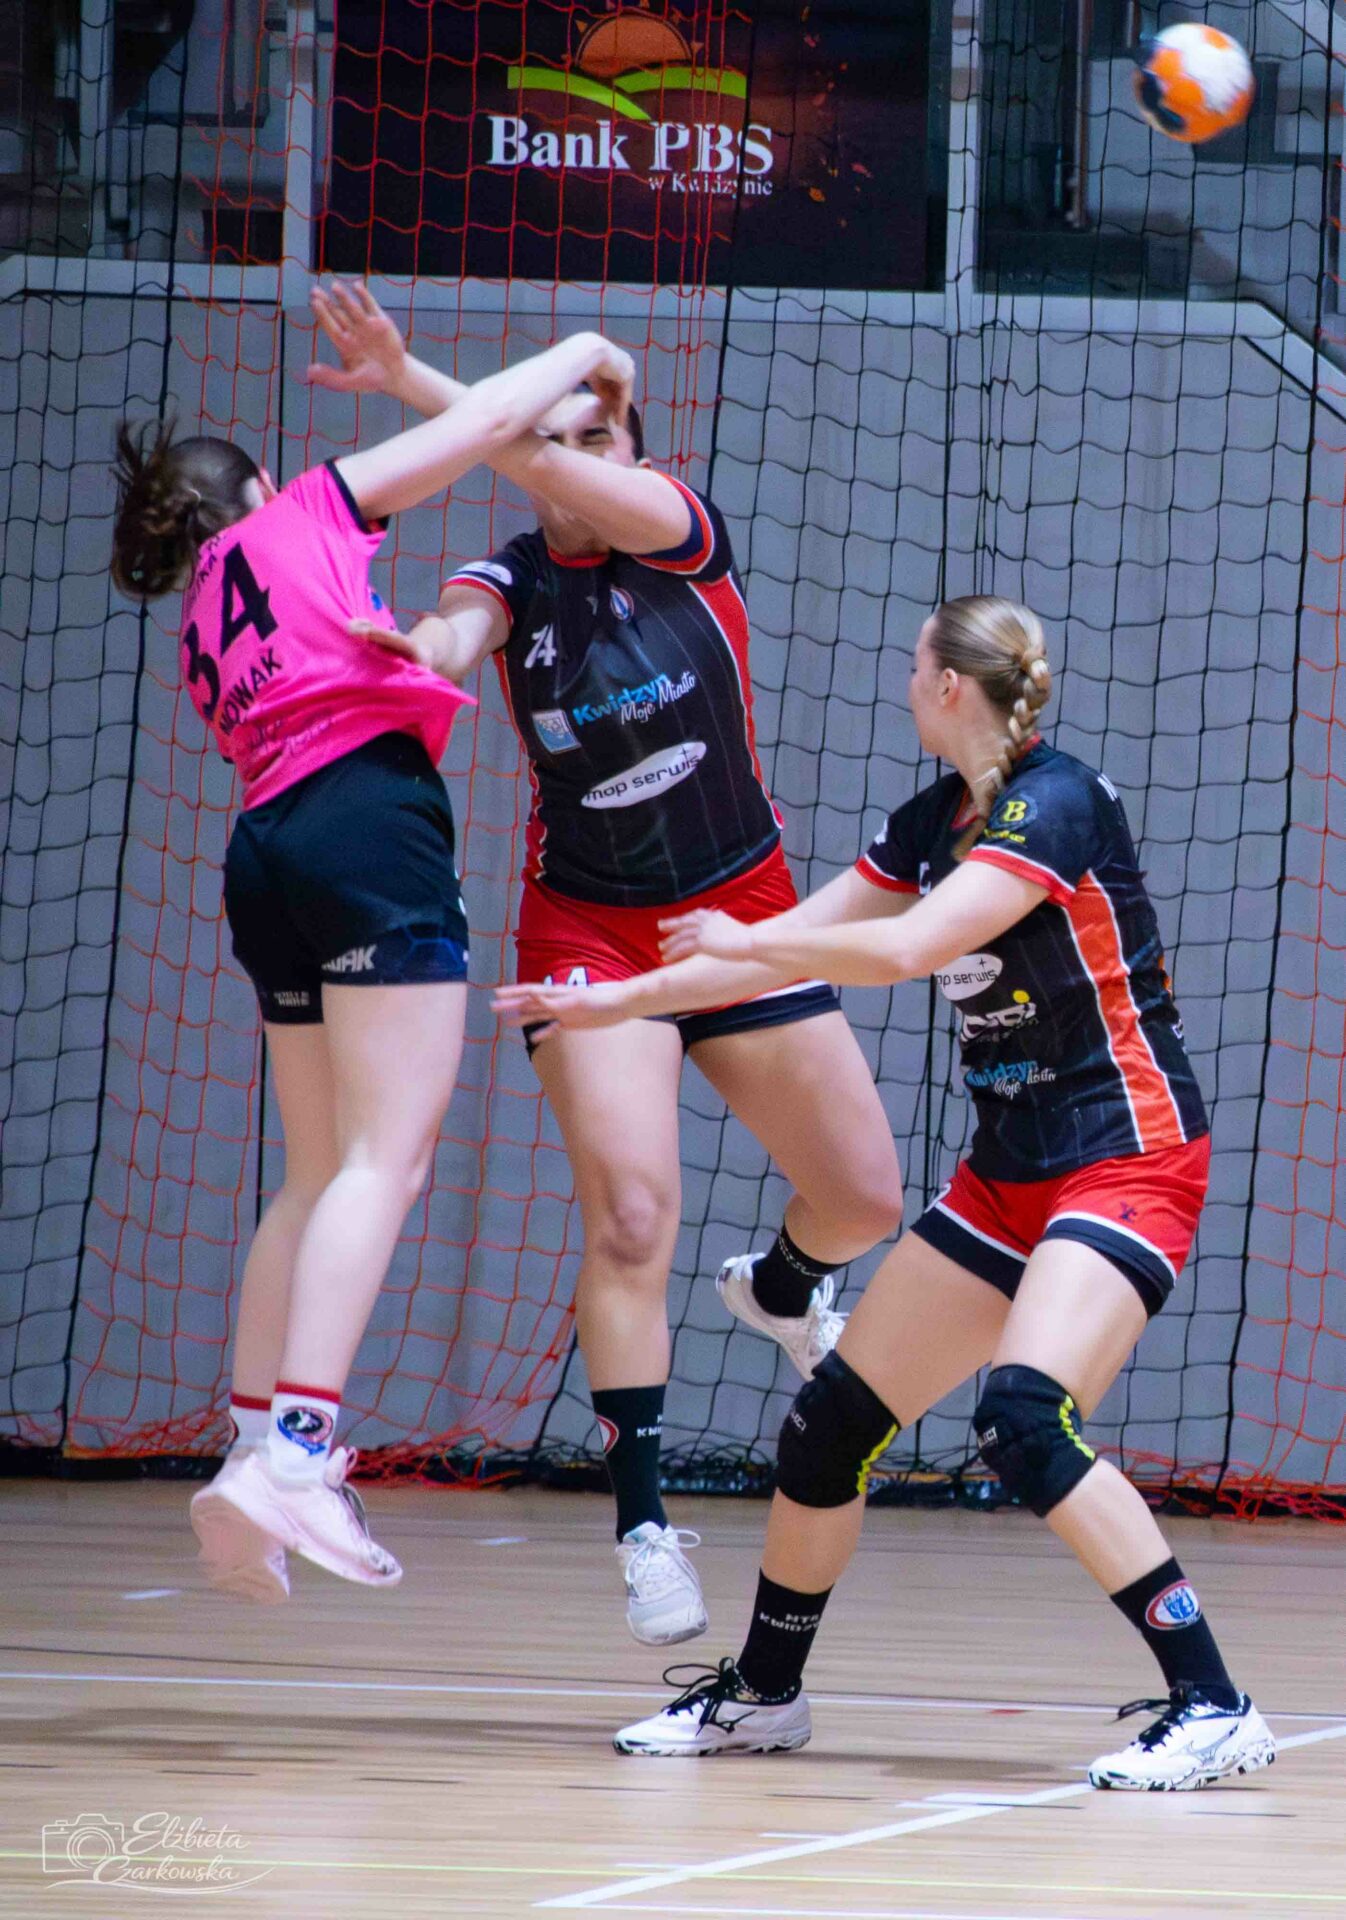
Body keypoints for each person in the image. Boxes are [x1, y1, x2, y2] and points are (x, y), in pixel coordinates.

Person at [498, 594, 1276, 1792]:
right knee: (826, 1431)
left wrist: (748, 946)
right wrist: (614, 1000)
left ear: (950, 686)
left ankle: (1213, 1703)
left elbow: (907, 948)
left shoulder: (1055, 803)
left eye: (915, 667)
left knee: (1024, 1417)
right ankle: (763, 1697)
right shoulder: (928, 821)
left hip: (1123, 1153)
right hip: (1007, 1175)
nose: (905, 683)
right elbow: (786, 936)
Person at [311, 283, 904, 1644]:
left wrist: (412, 385)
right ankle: (641, 1524)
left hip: (739, 914)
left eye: (594, 441)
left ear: (632, 456)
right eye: (553, 441)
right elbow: (453, 634)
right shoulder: (508, 579)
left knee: (865, 1197)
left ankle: (782, 1287)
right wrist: (414, 652)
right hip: (586, 928)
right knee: (633, 1217)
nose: (571, 463)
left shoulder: (681, 532)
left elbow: (526, 451)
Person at [110, 323, 637, 1601]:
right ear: (253, 487)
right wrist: (579, 347)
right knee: (385, 1160)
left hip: (265, 848)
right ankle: (299, 1457)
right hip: (364, 824)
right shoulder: (300, 511)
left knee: (314, 1171)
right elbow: (481, 431)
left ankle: (253, 1447)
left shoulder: (200, 620)